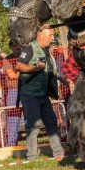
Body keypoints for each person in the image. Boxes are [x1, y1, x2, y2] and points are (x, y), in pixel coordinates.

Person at [15, 24, 64, 160]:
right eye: (50, 35)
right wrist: (34, 68)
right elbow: (18, 66)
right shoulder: (29, 48)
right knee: (33, 126)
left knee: (51, 122)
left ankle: (59, 153)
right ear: (40, 35)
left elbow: (48, 70)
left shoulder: (47, 50)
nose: (52, 38)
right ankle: (32, 157)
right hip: (30, 95)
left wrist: (59, 77)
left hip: (43, 94)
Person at [0, 41, 23, 146]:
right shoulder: (7, 59)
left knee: (30, 116)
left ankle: (32, 141)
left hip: (27, 89)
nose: (17, 47)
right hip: (13, 90)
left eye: (18, 45)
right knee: (13, 119)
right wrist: (24, 71)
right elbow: (12, 75)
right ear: (10, 48)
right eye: (14, 46)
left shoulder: (26, 55)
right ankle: (12, 144)